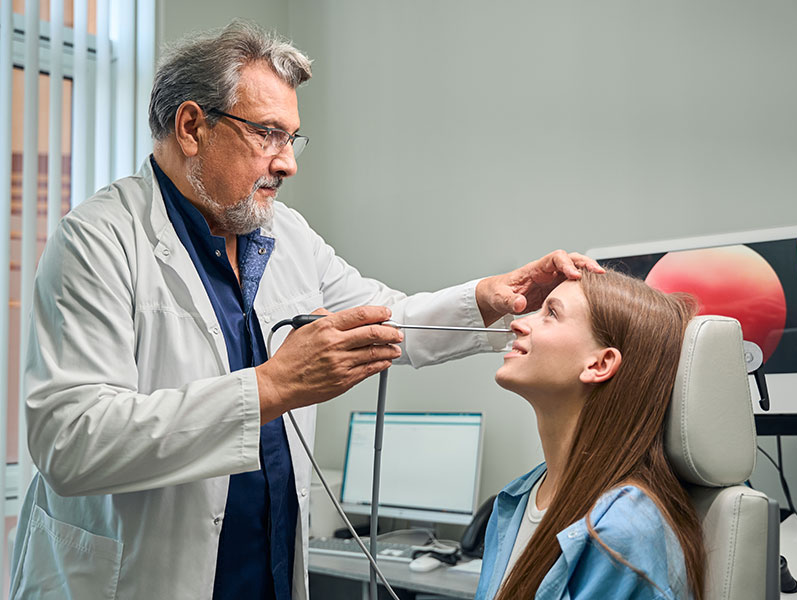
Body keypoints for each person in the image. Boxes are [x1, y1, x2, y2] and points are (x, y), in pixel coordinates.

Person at [8, 20, 603, 600]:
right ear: (192, 127)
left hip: (264, 571)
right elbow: (71, 442)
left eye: (292, 138)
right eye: (266, 134)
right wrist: (272, 386)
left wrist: (493, 300)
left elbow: (384, 319)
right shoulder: (99, 238)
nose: (287, 162)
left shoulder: (283, 234)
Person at [475, 269, 706, 599]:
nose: (517, 322)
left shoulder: (622, 532)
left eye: (551, 313)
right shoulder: (516, 498)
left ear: (600, 364)